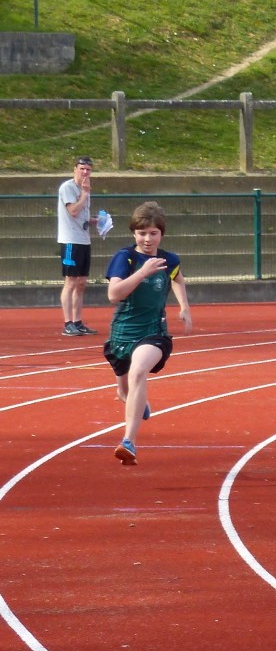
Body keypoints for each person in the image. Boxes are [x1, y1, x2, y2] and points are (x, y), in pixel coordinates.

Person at [104, 201, 192, 466]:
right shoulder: (125, 258)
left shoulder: (169, 259)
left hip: (153, 334)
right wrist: (142, 272)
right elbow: (113, 295)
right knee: (124, 392)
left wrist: (184, 306)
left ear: (161, 234)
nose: (147, 239)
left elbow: (177, 277)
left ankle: (128, 442)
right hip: (121, 334)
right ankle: (138, 404)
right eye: (142, 233)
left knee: (139, 371)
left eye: (153, 233)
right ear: (134, 233)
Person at [57, 156, 100, 336]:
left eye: (88, 169)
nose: (85, 172)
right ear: (75, 169)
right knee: (71, 281)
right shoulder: (68, 188)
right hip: (70, 241)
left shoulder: (85, 189)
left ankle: (78, 321)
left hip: (83, 239)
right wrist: (84, 194)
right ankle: (68, 322)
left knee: (82, 282)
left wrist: (96, 221)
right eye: (82, 169)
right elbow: (73, 211)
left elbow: (82, 216)